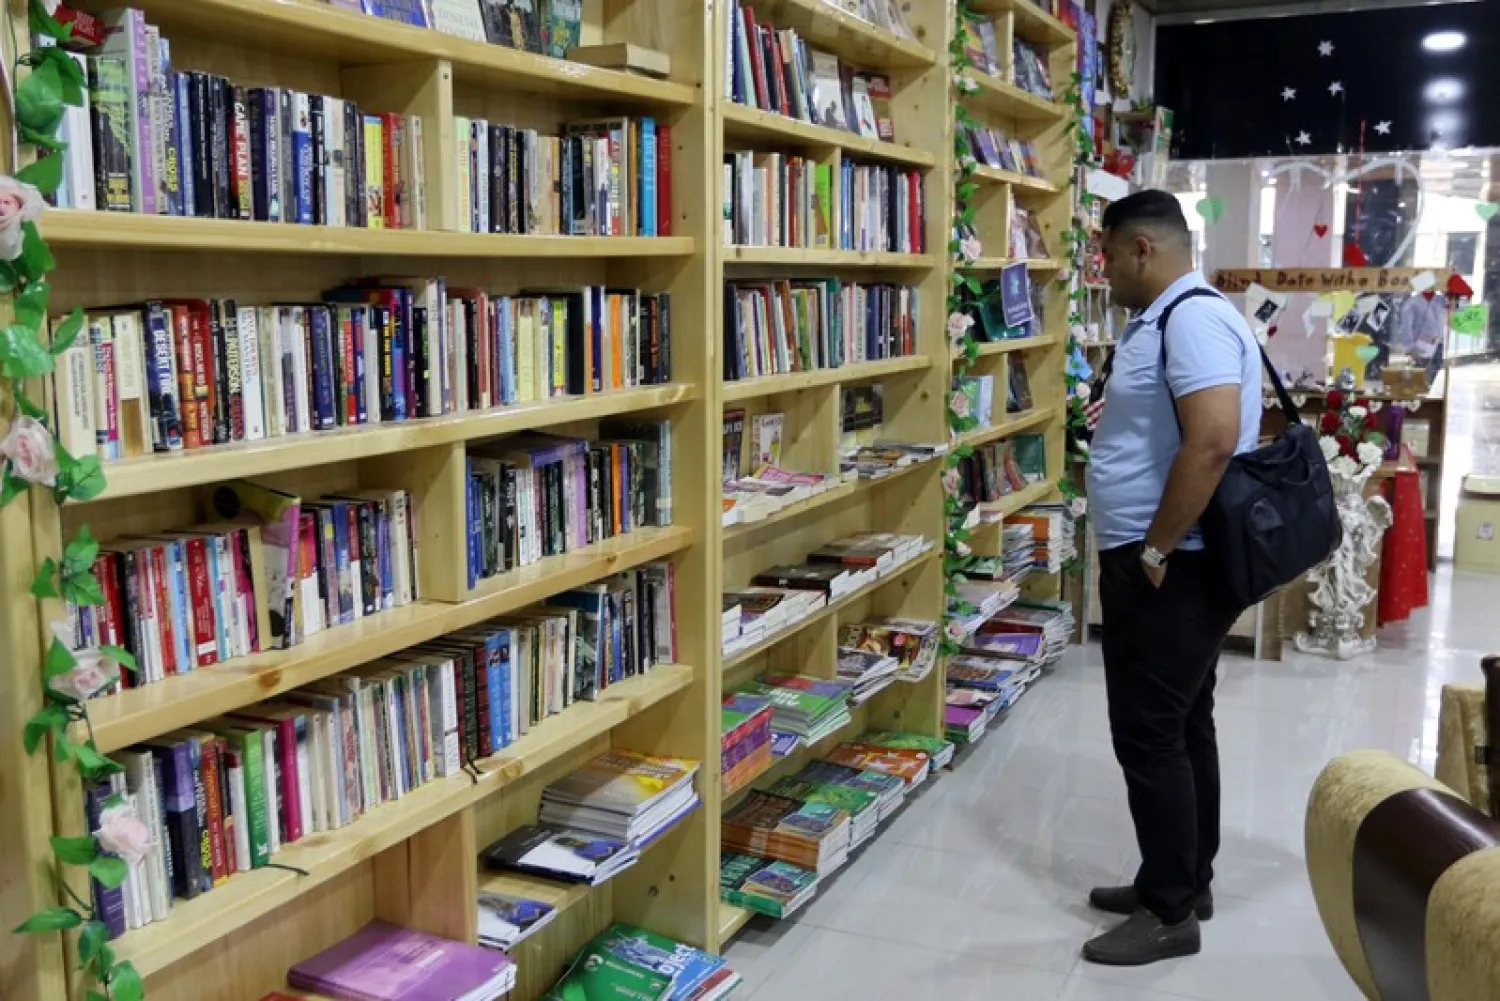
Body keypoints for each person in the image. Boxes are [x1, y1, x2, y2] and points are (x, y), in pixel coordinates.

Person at [1082, 190, 1260, 966]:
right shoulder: (1169, 319)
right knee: (1186, 721)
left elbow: (1214, 439)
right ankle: (1184, 874)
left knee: (1150, 731)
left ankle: (1168, 910)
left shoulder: (1192, 316)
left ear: (1143, 249)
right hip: (1166, 559)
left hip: (1169, 566)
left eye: (1109, 253)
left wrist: (1154, 549)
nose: (1105, 268)